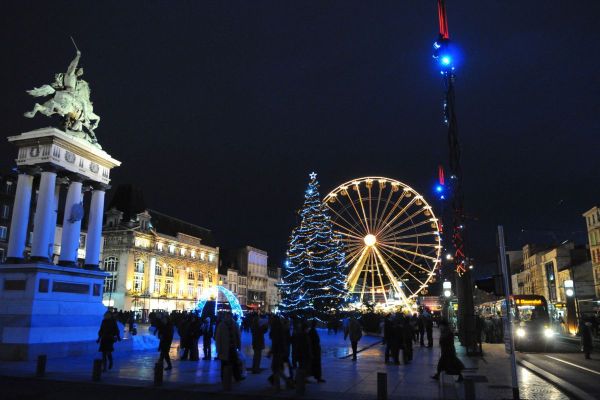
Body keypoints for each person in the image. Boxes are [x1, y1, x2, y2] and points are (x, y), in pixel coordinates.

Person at [215, 313, 243, 382]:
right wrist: (218, 349)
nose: (228, 318)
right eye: (227, 316)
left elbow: (238, 336)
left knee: (235, 363)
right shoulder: (222, 325)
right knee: (224, 364)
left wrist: (239, 346)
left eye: (229, 316)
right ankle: (225, 378)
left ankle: (237, 377)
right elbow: (218, 338)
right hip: (225, 348)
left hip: (232, 347)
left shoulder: (234, 324)